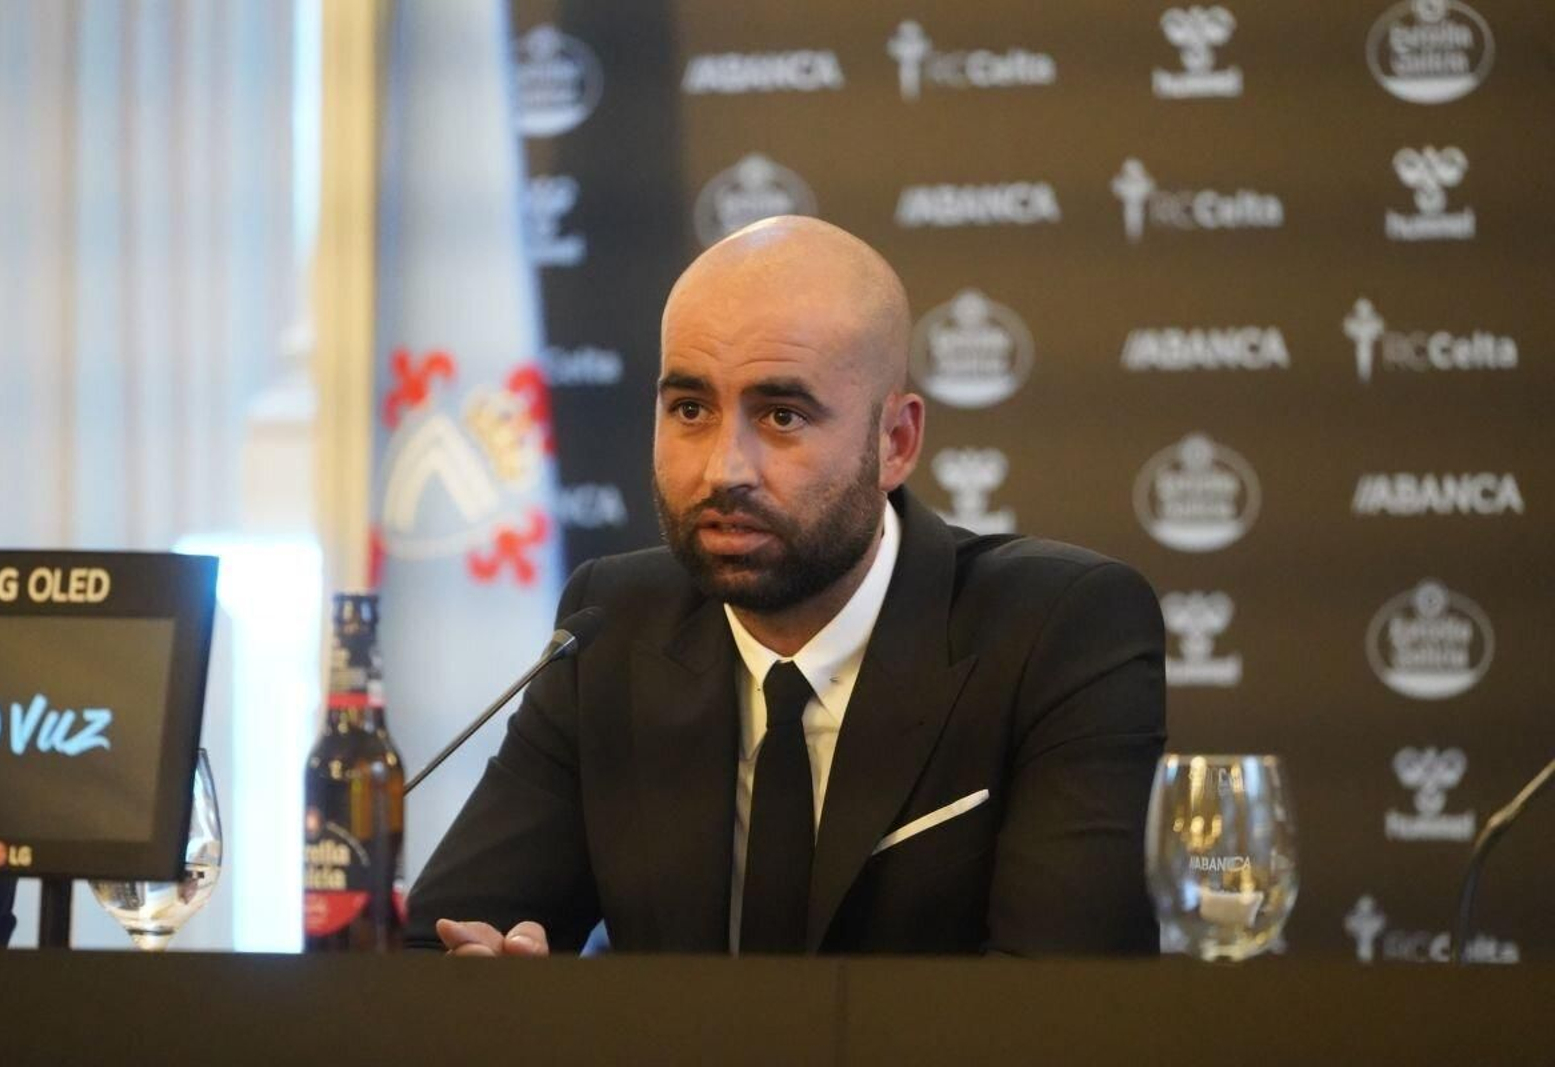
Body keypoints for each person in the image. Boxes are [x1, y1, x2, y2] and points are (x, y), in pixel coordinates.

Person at [404, 216, 1166, 957]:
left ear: (894, 442)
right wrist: (492, 979)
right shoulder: (613, 627)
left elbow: (1062, 1007)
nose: (723, 469)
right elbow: (441, 941)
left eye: (781, 415)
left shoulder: (1059, 631)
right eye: (691, 409)